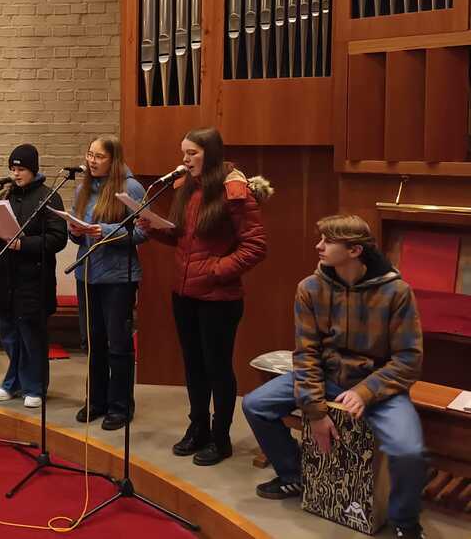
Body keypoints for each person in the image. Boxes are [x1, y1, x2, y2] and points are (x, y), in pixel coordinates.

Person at [242, 215, 426, 539]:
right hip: (326, 376)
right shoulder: (310, 288)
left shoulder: (396, 292)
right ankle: (295, 475)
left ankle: (404, 521)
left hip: (376, 383)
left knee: (408, 449)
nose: (319, 246)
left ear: (354, 250)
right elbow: (306, 353)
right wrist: (314, 410)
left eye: (328, 241)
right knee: (256, 405)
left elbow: (408, 359)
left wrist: (365, 392)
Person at [140, 127, 269, 465]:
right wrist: (153, 227)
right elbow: (183, 238)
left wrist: (216, 270)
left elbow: (255, 246)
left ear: (210, 154)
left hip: (219, 298)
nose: (184, 159)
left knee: (217, 368)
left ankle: (220, 437)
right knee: (193, 366)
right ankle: (197, 427)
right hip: (184, 294)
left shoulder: (235, 191)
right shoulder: (187, 188)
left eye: (192, 153)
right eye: (183, 152)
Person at [69, 134, 147, 431]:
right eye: (90, 154)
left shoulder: (131, 187)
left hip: (118, 278)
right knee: (93, 342)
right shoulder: (82, 189)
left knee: (118, 343)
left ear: (114, 160)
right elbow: (77, 232)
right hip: (87, 274)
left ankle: (120, 406)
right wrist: (75, 231)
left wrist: (105, 230)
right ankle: (96, 400)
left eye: (99, 156)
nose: (92, 161)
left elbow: (143, 232)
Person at [0, 144, 68, 409]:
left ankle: (35, 386)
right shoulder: (6, 195)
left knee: (31, 335)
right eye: (12, 169)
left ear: (33, 170)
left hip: (33, 277)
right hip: (5, 275)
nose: (16, 173)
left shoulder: (48, 197)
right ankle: (13, 382)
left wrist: (24, 244)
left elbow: (58, 238)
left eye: (21, 169)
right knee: (8, 333)